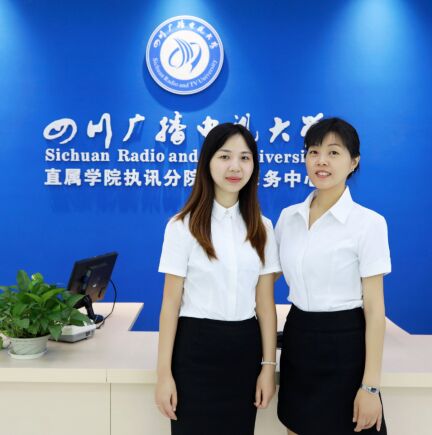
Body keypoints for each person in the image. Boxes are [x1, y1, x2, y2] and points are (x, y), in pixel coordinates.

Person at [155, 123, 281, 435]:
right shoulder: (181, 227)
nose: (235, 167)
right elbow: (170, 304)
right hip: (194, 350)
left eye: (245, 158)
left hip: (244, 350)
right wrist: (163, 374)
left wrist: (268, 367)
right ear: (207, 162)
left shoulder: (263, 228)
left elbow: (265, 305)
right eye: (225, 156)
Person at [276, 117, 391, 434]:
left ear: (353, 162)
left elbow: (375, 309)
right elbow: (264, 279)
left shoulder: (369, 223)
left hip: (346, 343)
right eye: (313, 152)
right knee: (297, 426)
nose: (321, 161)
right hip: (299, 338)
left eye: (334, 152)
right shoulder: (288, 218)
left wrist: (370, 387)